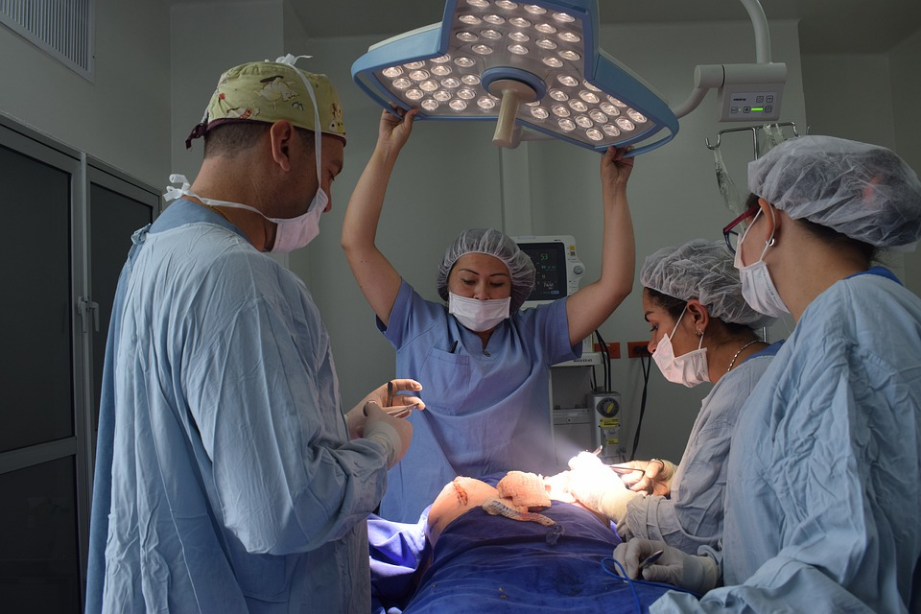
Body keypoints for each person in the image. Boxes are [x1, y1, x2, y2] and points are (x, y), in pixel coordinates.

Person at [85, 56, 423, 614]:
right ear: (284, 143)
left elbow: (210, 455)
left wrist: (341, 428)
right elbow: (284, 511)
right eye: (332, 173)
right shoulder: (236, 276)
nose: (328, 201)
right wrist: (380, 449)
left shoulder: (155, 251)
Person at [616, 136, 921, 612]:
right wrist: (712, 569)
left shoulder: (852, 326)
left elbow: (848, 577)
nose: (740, 256)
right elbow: (795, 518)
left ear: (769, 218)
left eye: (742, 230)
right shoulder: (828, 331)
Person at [341, 108, 637, 523]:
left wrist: (614, 190)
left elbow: (615, 286)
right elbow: (356, 243)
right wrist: (386, 151)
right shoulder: (415, 322)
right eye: (469, 281)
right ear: (448, 284)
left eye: (497, 284)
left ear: (515, 291)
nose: (481, 293)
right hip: (425, 521)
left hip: (515, 518)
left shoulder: (536, 334)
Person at [567, 239, 782, 555]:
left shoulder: (744, 391)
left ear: (696, 315)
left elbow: (688, 534)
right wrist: (679, 477)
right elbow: (746, 488)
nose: (652, 345)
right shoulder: (759, 372)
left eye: (655, 326)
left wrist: (609, 498)